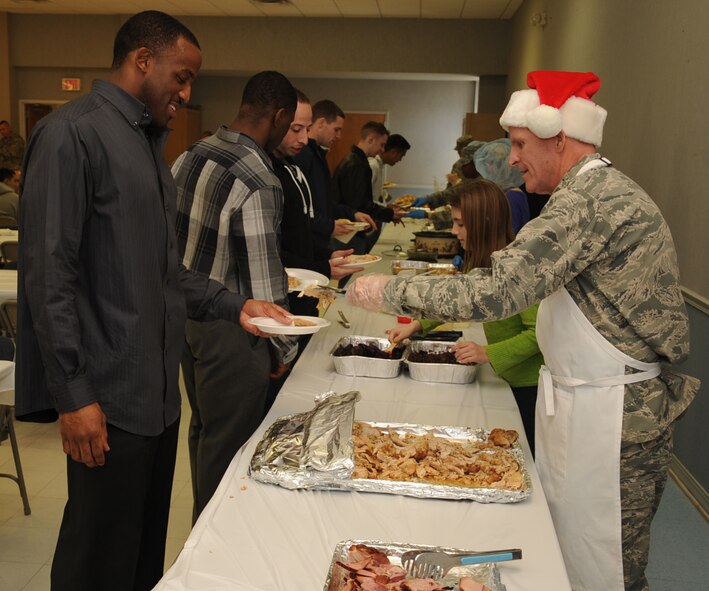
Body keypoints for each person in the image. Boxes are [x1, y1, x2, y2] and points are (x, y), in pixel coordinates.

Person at [346, 70, 699, 591]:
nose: (510, 158)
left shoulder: (589, 201)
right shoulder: (585, 191)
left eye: (518, 144)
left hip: (614, 416)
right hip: (585, 402)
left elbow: (494, 292)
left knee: (610, 568)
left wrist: (386, 292)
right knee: (566, 552)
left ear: (560, 139)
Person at [16, 12, 293, 591]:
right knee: (97, 554)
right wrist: (73, 396)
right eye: (182, 76)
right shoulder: (73, 133)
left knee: (140, 553)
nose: (187, 94)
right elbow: (48, 277)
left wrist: (234, 304)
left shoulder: (146, 144)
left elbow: (163, 273)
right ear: (143, 60)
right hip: (107, 396)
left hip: (157, 398)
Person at [172, 70, 301, 522]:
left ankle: (199, 537)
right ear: (279, 116)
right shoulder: (259, 177)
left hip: (186, 316)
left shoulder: (192, 152)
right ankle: (214, 546)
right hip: (233, 327)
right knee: (230, 446)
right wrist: (283, 345)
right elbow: (263, 277)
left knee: (205, 432)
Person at [387, 179, 542, 455]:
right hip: (505, 380)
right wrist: (419, 323)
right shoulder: (482, 260)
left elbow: (538, 335)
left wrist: (488, 353)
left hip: (528, 388)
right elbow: (463, 302)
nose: (453, 231)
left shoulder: (518, 270)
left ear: (483, 223)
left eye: (460, 223)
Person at [267, 89, 362, 407]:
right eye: (297, 129)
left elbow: (301, 229)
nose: (304, 138)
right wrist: (321, 265)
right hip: (279, 299)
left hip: (301, 286)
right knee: (278, 391)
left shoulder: (293, 166)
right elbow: (274, 250)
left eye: (306, 129)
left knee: (297, 378)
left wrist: (322, 258)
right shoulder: (271, 172)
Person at [292, 99, 375, 254]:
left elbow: (324, 202)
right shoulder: (303, 155)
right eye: (336, 129)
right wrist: (329, 226)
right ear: (322, 122)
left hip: (319, 242)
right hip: (305, 245)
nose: (339, 136)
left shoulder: (318, 154)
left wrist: (353, 214)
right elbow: (299, 209)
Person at [332, 121, 405, 230]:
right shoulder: (356, 164)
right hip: (351, 228)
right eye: (382, 145)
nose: (382, 150)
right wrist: (388, 214)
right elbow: (360, 204)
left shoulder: (357, 161)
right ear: (371, 139)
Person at [473, 138, 531, 233]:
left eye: (492, 163)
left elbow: (510, 234)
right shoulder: (503, 191)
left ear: (503, 166)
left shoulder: (513, 196)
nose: (487, 167)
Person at [369, 133, 411, 204]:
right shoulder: (373, 165)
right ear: (393, 152)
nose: (400, 160)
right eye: (401, 156)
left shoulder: (379, 165)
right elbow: (366, 199)